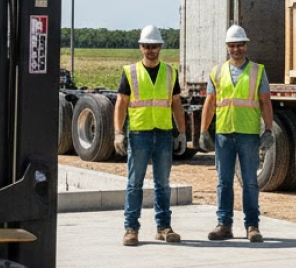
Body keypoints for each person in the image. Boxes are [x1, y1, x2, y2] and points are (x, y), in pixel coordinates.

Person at [199, 24, 274, 243]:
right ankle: (224, 225)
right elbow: (210, 102)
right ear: (227, 47)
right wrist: (204, 130)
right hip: (224, 133)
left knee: (250, 182)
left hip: (248, 133)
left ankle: (252, 225)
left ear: (246, 46)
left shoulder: (257, 71)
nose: (236, 49)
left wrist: (268, 129)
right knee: (223, 182)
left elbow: (265, 102)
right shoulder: (217, 72)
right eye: (232, 45)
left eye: (240, 45)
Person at [113, 25, 186, 246]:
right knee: (134, 184)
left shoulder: (170, 72)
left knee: (162, 184)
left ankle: (163, 227)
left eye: (154, 46)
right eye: (146, 46)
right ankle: (131, 229)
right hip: (139, 134)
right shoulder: (130, 72)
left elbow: (176, 104)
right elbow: (121, 103)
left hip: (163, 134)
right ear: (141, 47)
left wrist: (181, 132)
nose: (150, 50)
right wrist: (118, 132)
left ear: (160, 47)